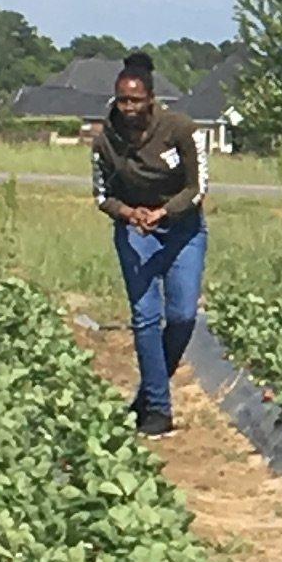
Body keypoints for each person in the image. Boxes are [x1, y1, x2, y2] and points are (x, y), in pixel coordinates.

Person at [92, 52, 204, 433]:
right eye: (123, 100)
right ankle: (158, 409)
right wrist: (128, 213)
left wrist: (164, 213)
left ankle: (147, 393)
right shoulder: (105, 140)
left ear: (151, 99)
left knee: (183, 316)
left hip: (183, 229)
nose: (129, 108)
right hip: (135, 232)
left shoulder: (180, 130)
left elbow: (197, 187)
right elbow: (102, 194)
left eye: (136, 100)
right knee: (145, 317)